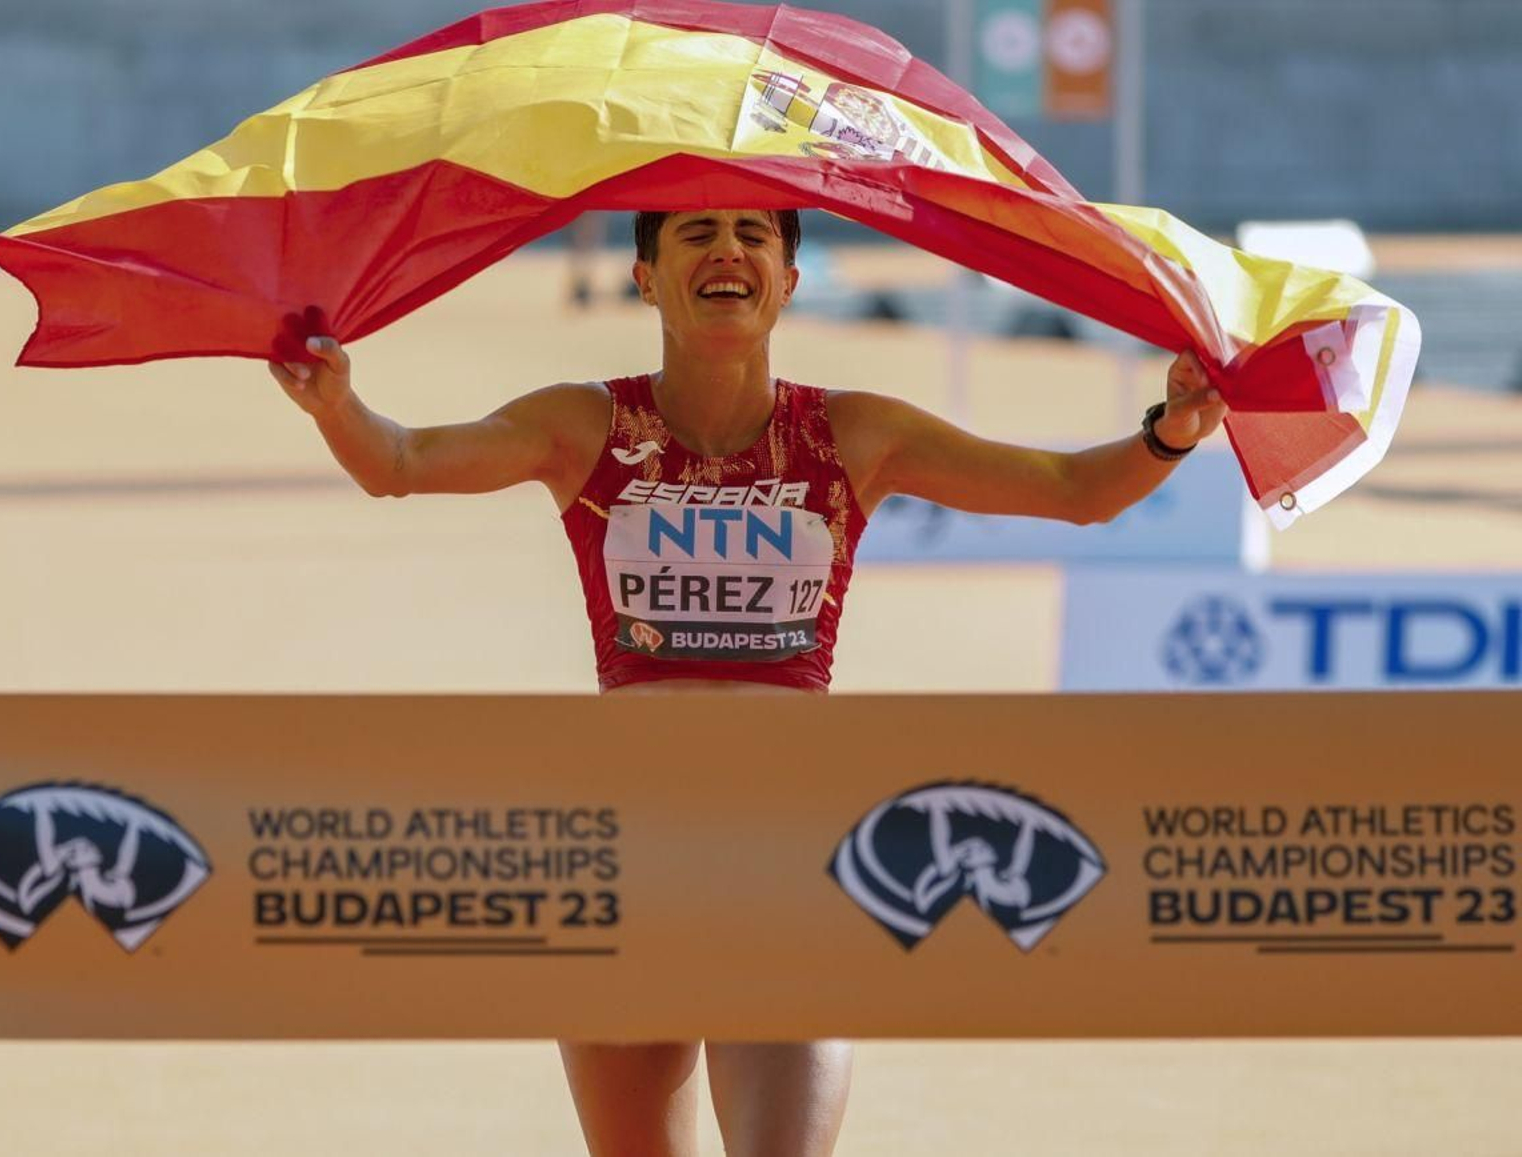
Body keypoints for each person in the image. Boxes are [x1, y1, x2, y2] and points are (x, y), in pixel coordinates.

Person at [268, 207, 1226, 1157]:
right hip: (627, 850)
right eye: (696, 233)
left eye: (754, 234)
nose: (727, 249)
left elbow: (1069, 490)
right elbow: (400, 462)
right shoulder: (584, 424)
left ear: (790, 280)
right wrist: (335, 403)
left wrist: (1172, 429)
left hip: (791, 850)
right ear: (645, 278)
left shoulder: (855, 433)